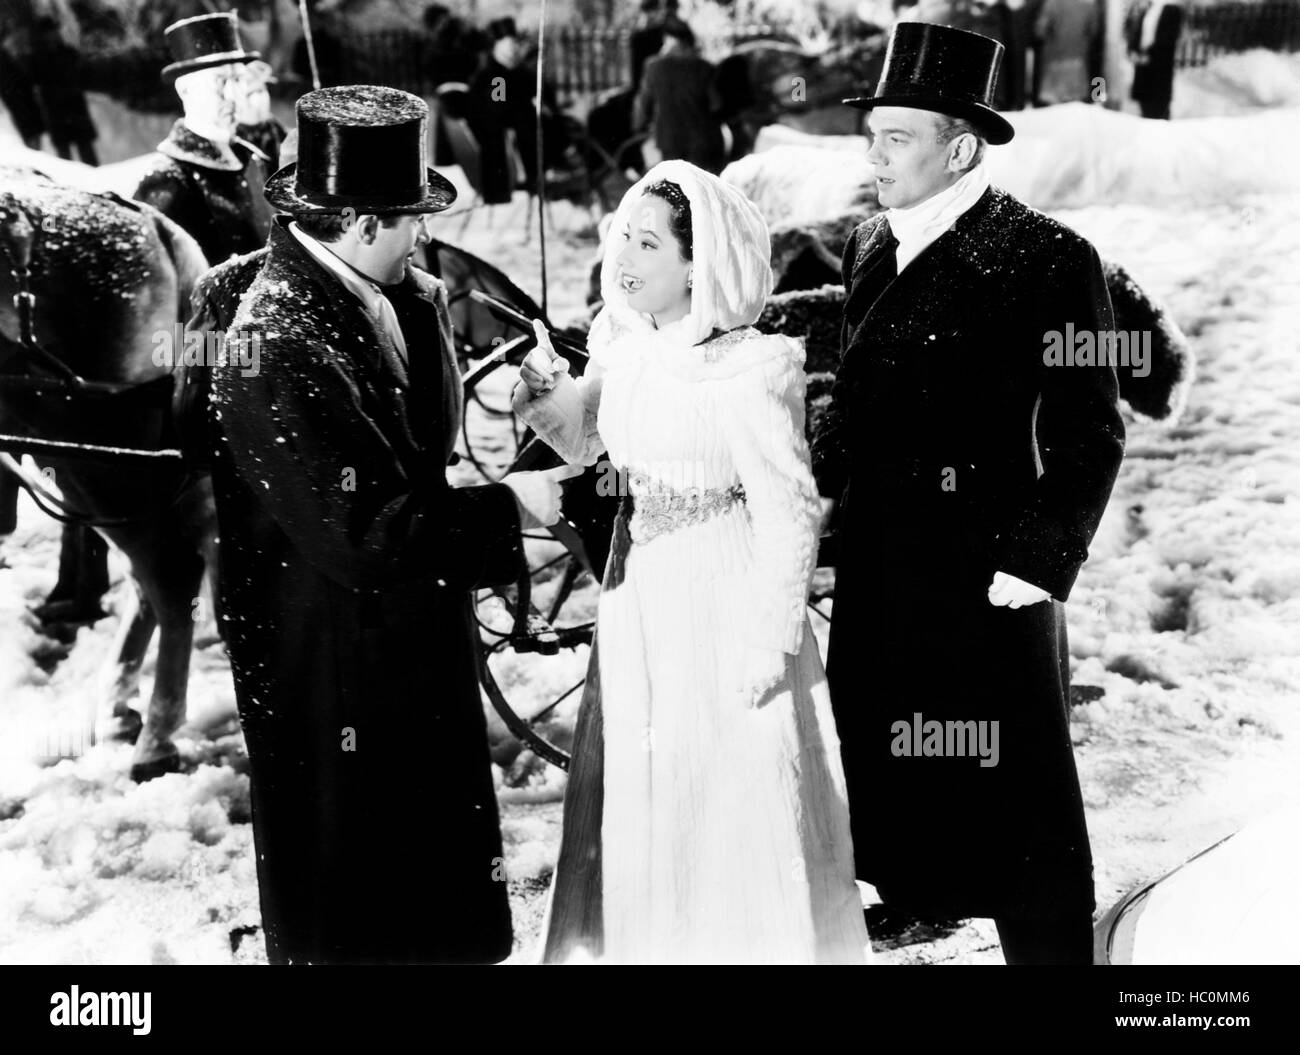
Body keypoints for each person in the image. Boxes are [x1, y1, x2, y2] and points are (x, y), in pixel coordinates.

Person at [207, 84, 580, 964]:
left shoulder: (398, 292)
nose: (424, 235)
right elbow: (363, 531)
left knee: (429, 867)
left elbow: (415, 446)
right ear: (363, 224)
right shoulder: (276, 340)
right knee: (357, 884)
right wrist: (513, 507)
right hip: (327, 650)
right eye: (411, 217)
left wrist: (532, 414)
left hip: (404, 625)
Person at [815, 22, 1125, 965]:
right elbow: (858, 399)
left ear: (959, 149)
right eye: (873, 133)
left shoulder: (1044, 257)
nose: (875, 155)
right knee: (900, 762)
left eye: (897, 138)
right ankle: (925, 894)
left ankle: (1051, 953)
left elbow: (1091, 428)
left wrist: (1038, 557)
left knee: (1015, 789)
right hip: (881, 565)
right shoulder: (869, 242)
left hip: (985, 576)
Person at [512, 160, 870, 965]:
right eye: (622, 239)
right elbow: (590, 441)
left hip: (727, 594)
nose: (625, 259)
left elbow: (788, 511)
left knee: (735, 800)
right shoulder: (625, 343)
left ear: (698, 263)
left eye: (648, 243)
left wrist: (768, 639)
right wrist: (549, 394)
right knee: (660, 796)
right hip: (644, 591)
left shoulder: (751, 369)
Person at [133, 13, 269, 267]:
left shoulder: (252, 157)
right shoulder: (169, 178)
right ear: (185, 90)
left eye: (237, 79)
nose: (233, 94)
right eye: (220, 81)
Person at [633, 21, 725, 175]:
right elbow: (716, 105)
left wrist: (638, 126)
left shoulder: (653, 67)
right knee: (697, 186)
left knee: (675, 185)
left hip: (668, 138)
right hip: (700, 140)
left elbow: (643, 105)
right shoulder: (704, 67)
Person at [1035, 0, 1101, 105]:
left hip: (1055, 66)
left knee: (1055, 112)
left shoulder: (1052, 3)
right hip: (1078, 67)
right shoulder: (1090, 4)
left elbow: (1040, 31)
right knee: (1075, 111)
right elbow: (1094, 32)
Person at [1125, 1, 1184, 120]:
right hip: (1143, 67)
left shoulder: (1172, 10)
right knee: (1145, 108)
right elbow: (1138, 34)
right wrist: (1133, 50)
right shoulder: (1148, 10)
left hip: (1159, 68)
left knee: (1158, 110)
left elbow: (1168, 40)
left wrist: (1148, 56)